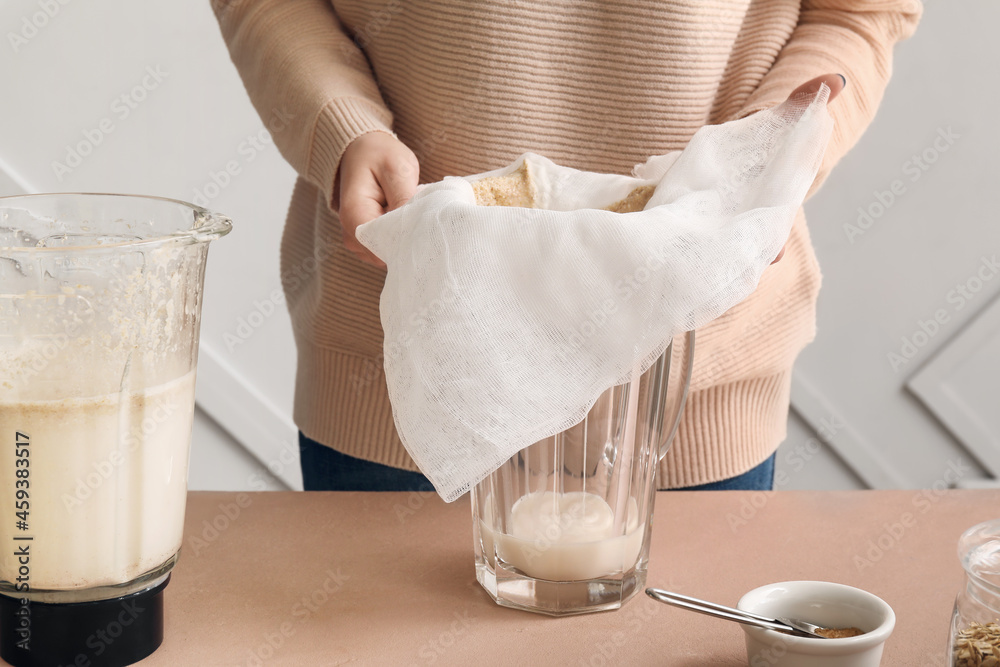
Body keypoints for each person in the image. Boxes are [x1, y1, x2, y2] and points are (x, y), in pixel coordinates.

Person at [212, 0, 920, 492]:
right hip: (398, 377)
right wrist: (344, 127)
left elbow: (858, 11)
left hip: (692, 385)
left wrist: (769, 155)